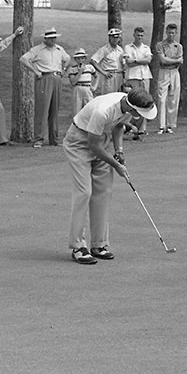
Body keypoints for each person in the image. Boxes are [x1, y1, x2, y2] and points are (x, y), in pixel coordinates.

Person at [63, 88, 158, 265]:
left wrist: (119, 150)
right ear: (132, 108)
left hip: (101, 139)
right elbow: (93, 146)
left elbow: (118, 126)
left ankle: (99, 244)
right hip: (78, 142)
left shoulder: (127, 106)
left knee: (103, 192)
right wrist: (116, 165)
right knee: (84, 192)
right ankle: (78, 246)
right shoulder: (103, 111)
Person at [20, 28, 71, 147]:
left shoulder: (59, 49)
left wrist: (64, 70)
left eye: (54, 37)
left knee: (54, 110)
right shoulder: (38, 49)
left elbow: (67, 59)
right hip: (44, 77)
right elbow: (23, 59)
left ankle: (54, 139)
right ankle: (39, 139)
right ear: (45, 38)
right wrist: (35, 71)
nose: (53, 40)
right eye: (51, 38)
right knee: (42, 109)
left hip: (57, 78)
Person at [122, 26, 153, 139]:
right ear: (134, 35)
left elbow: (148, 60)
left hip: (144, 76)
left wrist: (135, 61)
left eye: (141, 36)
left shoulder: (146, 48)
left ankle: (142, 128)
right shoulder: (128, 47)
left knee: (144, 102)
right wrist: (140, 61)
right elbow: (128, 62)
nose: (139, 37)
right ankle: (130, 127)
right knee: (132, 102)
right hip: (132, 77)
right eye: (138, 35)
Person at [154, 22, 183, 134]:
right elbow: (163, 60)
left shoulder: (178, 46)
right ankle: (161, 126)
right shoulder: (160, 45)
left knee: (173, 99)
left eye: (173, 33)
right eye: (169, 32)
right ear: (166, 32)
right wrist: (175, 60)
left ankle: (170, 125)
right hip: (164, 72)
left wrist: (172, 60)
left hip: (175, 72)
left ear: (176, 33)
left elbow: (180, 61)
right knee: (162, 99)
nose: (171, 35)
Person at [90, 27, 126, 96]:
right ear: (110, 38)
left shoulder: (120, 50)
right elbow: (93, 61)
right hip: (109, 76)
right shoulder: (104, 50)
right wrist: (103, 72)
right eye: (114, 37)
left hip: (119, 75)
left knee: (119, 95)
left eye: (117, 38)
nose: (115, 39)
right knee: (108, 96)